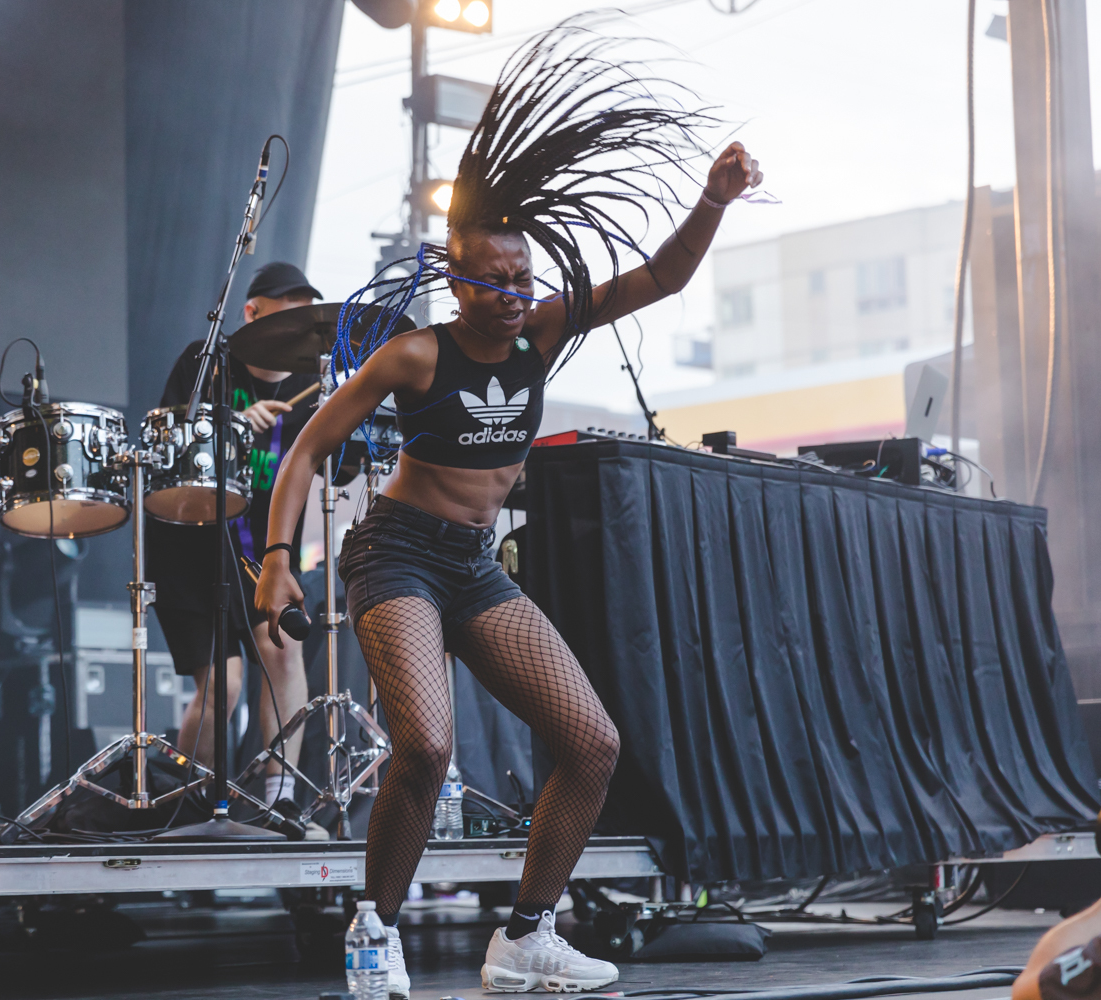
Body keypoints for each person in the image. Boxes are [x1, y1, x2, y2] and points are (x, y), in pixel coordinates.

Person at [255, 24, 763, 997]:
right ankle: (375, 926)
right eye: (495, 281)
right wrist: (279, 560)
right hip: (396, 555)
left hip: (475, 565)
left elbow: (662, 277)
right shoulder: (416, 354)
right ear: (457, 281)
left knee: (592, 743)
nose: (514, 296)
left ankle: (526, 936)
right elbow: (308, 446)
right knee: (424, 745)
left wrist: (713, 199)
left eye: (524, 280)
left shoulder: (543, 331)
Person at [148, 261, 328, 839]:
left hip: (266, 550)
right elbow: (168, 439)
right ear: (252, 313)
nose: (296, 328)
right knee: (221, 686)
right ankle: (187, 800)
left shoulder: (311, 386)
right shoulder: (207, 362)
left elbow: (341, 462)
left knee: (284, 652)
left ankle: (281, 800)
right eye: (285, 315)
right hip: (193, 546)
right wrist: (228, 425)